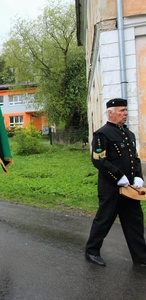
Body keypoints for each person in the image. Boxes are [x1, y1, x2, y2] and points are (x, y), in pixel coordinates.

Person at [85, 98, 146, 267]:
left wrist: (139, 177)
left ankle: (141, 257)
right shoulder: (102, 134)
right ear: (110, 113)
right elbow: (98, 159)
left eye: (126, 111)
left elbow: (134, 158)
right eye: (121, 111)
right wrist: (118, 176)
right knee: (104, 220)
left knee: (135, 221)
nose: (125, 114)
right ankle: (92, 251)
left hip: (130, 188)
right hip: (111, 188)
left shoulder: (129, 134)